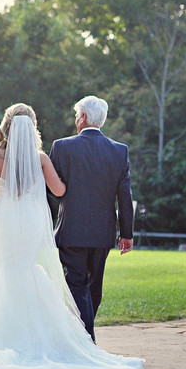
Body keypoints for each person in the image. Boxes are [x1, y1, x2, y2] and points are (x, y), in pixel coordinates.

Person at [0, 103, 144, 369]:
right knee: (25, 270)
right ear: (32, 128)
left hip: (0, 220)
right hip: (29, 222)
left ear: (6, 126)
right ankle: (40, 337)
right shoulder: (40, 158)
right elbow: (60, 190)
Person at [49, 95, 135, 342]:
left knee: (77, 284)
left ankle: (86, 340)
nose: (76, 119)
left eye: (77, 115)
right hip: (103, 233)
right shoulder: (120, 151)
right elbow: (125, 197)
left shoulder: (62, 147)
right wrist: (126, 234)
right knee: (92, 288)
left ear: (83, 118)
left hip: (71, 231)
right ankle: (84, 337)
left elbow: (52, 191)